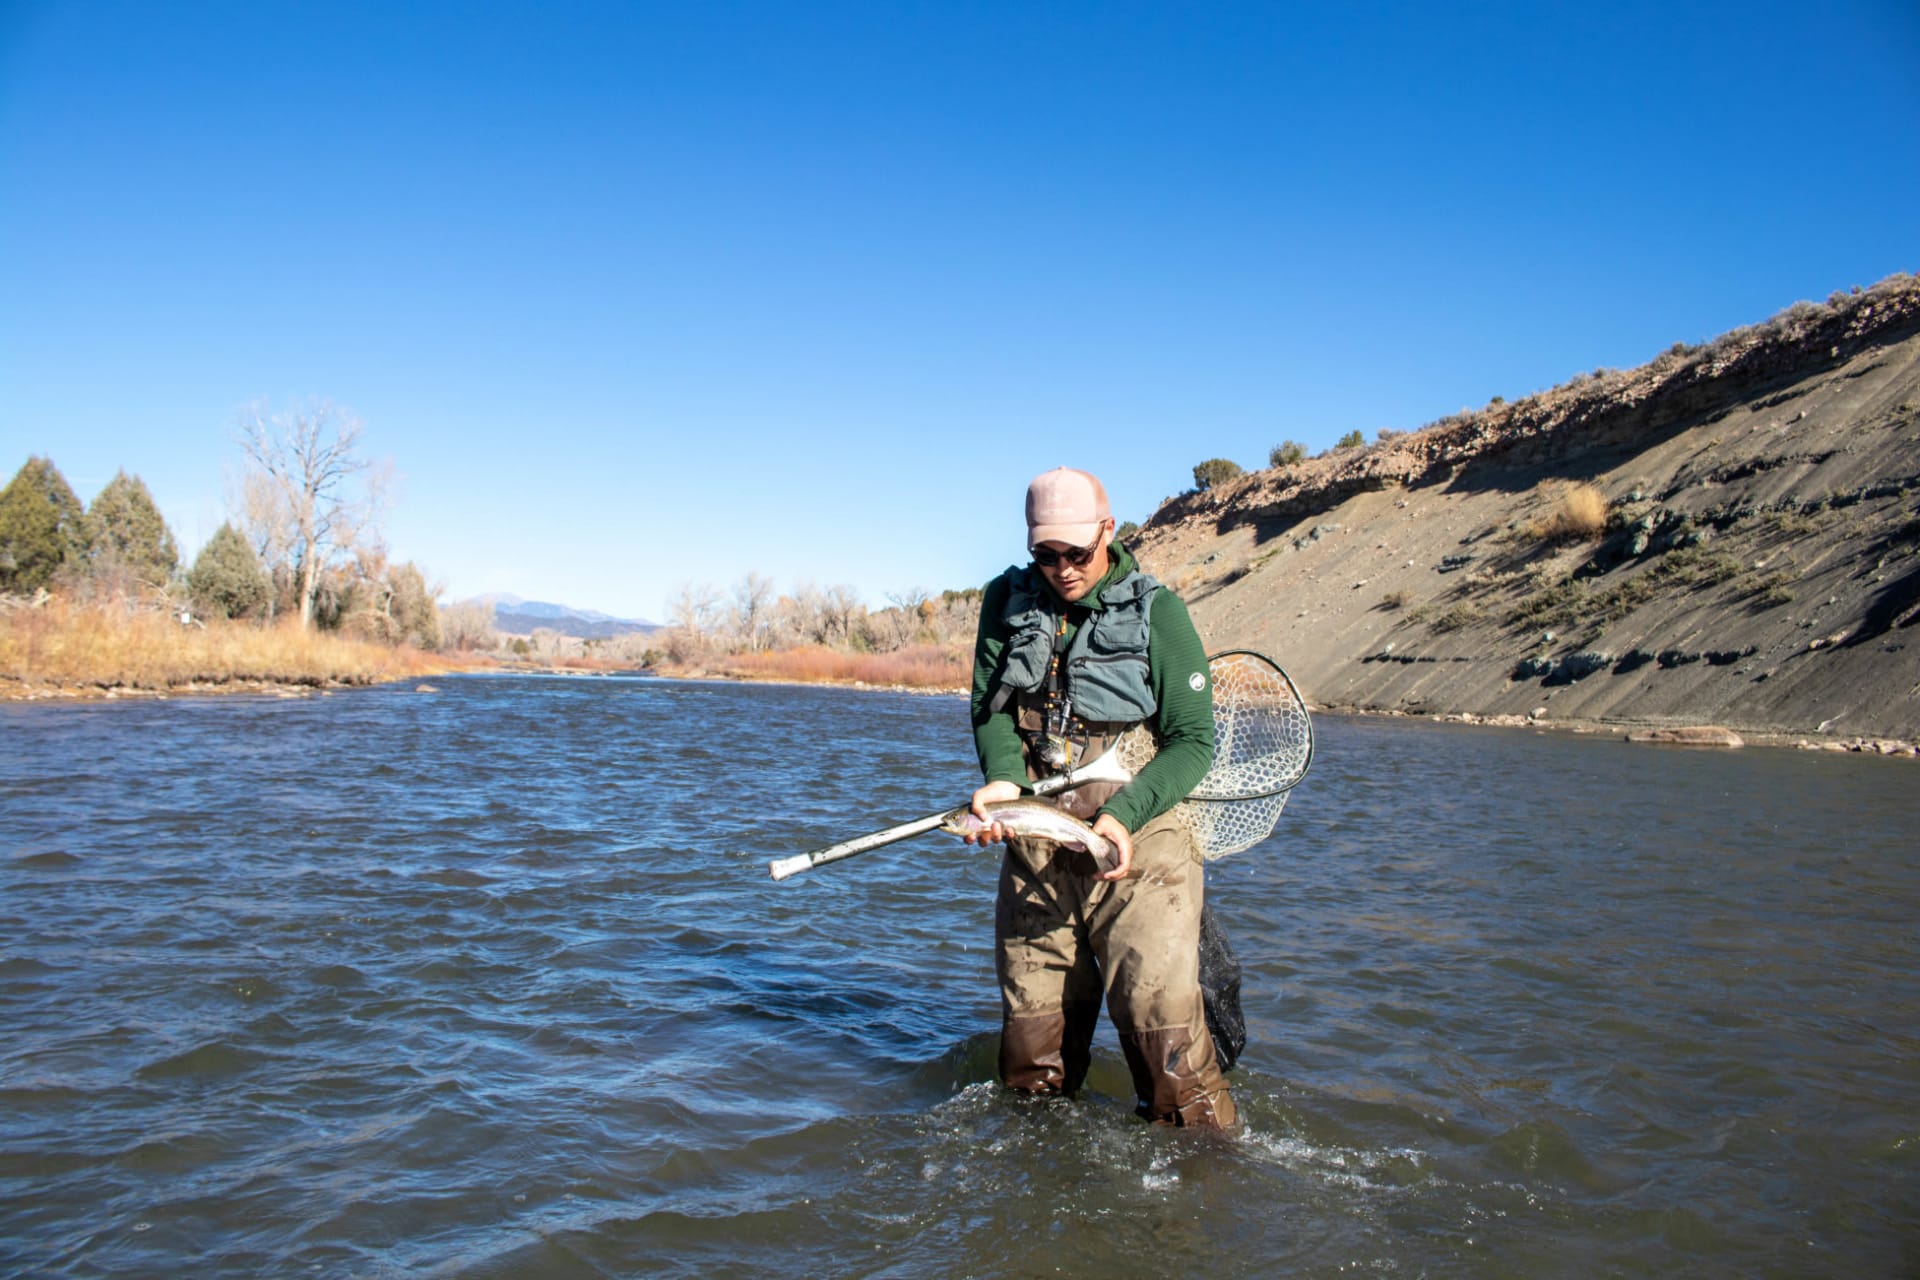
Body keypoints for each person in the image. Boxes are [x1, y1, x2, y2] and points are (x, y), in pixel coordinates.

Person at [961, 466, 1236, 1128]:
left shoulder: (1160, 613)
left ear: (1108, 531)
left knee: (1168, 1059)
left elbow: (1193, 742)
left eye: (1077, 553)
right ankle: (1042, 1172)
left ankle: (1207, 1174)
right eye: (1045, 555)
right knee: (1030, 1062)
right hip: (1036, 844)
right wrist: (1003, 777)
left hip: (1141, 848)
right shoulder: (1005, 601)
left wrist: (1121, 816)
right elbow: (989, 711)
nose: (1062, 569)